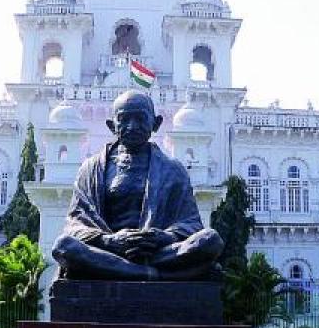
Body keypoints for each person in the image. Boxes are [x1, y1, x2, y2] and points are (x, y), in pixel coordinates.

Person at [52, 90, 223, 281]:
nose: (132, 126)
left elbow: (191, 224)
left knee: (210, 240)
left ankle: (128, 271)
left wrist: (163, 238)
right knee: (64, 246)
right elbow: (75, 224)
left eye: (141, 119)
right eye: (124, 119)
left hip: (157, 252)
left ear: (155, 123)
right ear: (112, 126)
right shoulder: (90, 169)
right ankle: (149, 274)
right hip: (109, 251)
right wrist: (109, 241)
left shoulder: (173, 170)